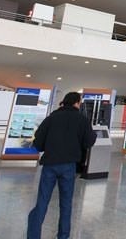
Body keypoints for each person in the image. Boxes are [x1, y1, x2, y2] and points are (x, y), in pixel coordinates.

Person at [27, 92, 95, 239]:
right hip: (69, 166)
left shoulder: (51, 118)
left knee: (42, 202)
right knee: (66, 204)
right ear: (77, 103)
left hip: (50, 165)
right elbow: (89, 141)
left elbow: (38, 143)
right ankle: (63, 236)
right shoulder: (82, 120)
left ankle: (33, 236)